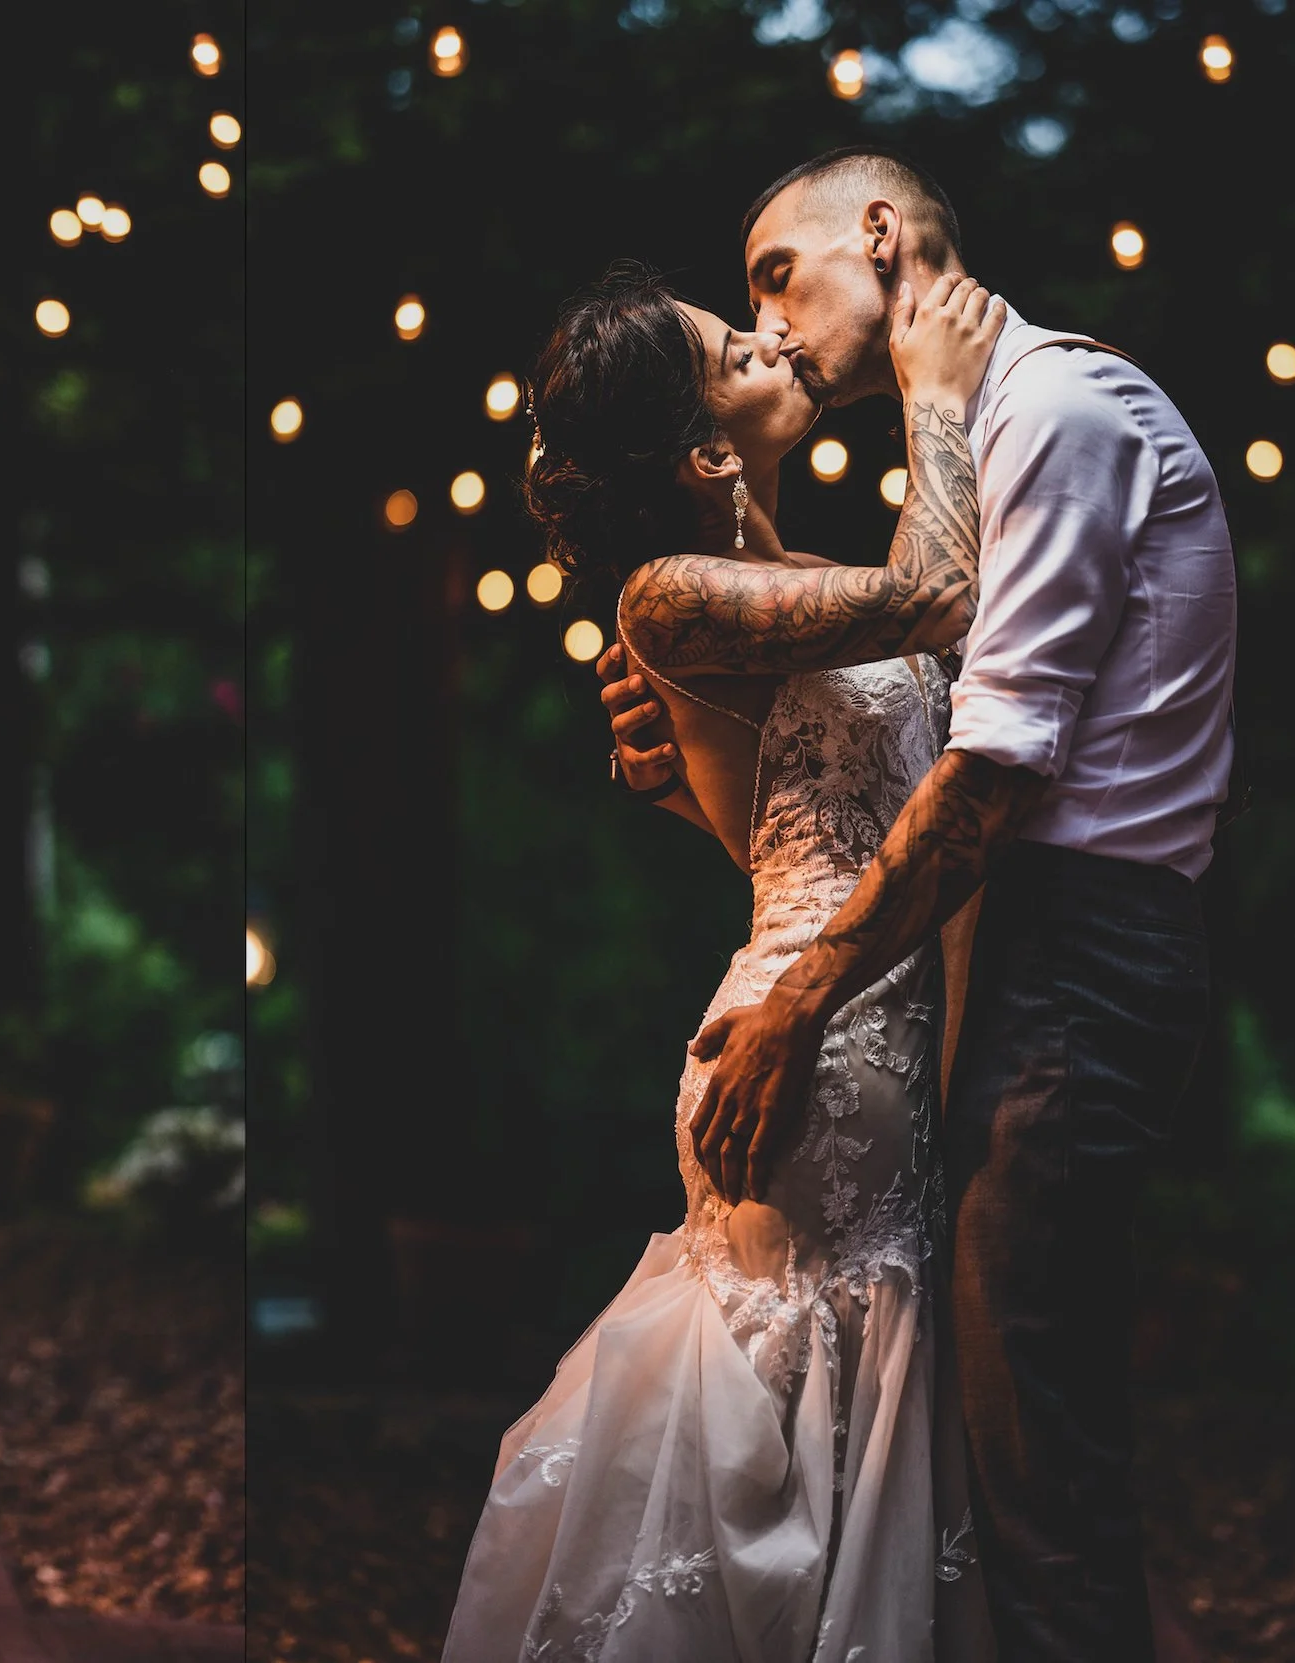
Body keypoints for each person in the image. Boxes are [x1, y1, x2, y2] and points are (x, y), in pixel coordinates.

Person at [637, 148, 1237, 1659]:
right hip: (1005, 962)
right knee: (983, 1445)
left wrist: (797, 997)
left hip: (1078, 959)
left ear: (885, 235)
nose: (766, 320)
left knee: (1035, 1465)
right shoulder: (984, 430)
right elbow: (866, 775)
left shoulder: (1055, 409)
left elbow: (990, 770)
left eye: (777, 268)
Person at [443, 260, 1004, 1661]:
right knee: (808, 1392)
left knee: (847, 1391)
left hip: (872, 1016)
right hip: (804, 1050)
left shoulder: (799, 583)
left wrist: (686, 782)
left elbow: (811, 821)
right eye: (730, 344)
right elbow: (942, 592)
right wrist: (936, 399)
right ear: (703, 448)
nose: (767, 336)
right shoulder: (673, 595)